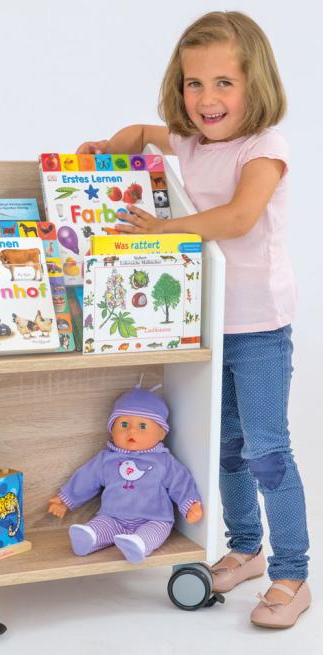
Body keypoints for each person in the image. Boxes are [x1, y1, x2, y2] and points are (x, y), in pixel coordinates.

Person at [76, 11, 310, 629]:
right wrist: (108, 148)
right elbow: (141, 132)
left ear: (256, 84)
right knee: (226, 448)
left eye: (224, 83)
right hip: (207, 325)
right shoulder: (189, 142)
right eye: (193, 83)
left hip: (259, 328)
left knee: (267, 451)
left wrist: (163, 230)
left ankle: (292, 572)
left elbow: (238, 217)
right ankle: (245, 548)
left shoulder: (265, 148)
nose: (207, 99)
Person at [48, 383, 202, 564]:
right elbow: (86, 478)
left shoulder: (163, 461)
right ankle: (89, 538)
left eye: (142, 425)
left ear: (161, 433)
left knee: (154, 532)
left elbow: (180, 482)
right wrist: (66, 499)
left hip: (154, 518)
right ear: (111, 429)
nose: (132, 431)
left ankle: (138, 544)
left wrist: (190, 504)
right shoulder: (106, 459)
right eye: (124, 424)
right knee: (100, 526)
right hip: (114, 516)